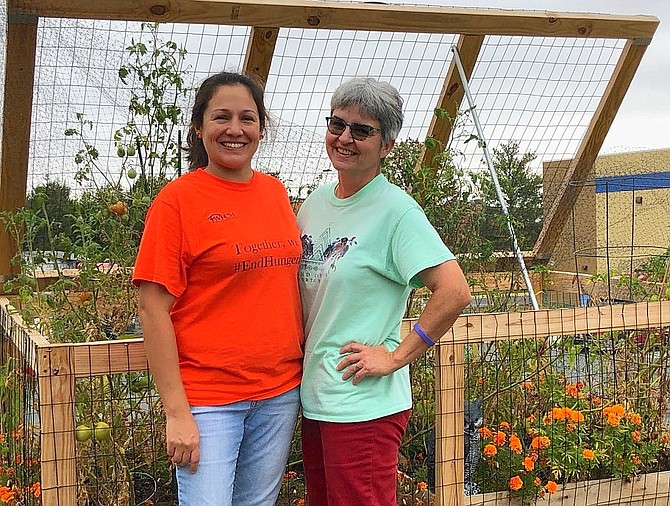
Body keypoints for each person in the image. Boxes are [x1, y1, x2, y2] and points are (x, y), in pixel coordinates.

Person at [297, 78, 472, 505]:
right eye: (337, 124)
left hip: (364, 408)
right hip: (317, 398)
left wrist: (396, 357)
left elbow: (454, 291)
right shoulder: (314, 205)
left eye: (362, 129)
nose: (344, 138)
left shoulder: (396, 212)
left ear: (387, 145)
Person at [132, 72, 304, 506]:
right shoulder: (177, 201)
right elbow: (153, 308)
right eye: (220, 117)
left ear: (262, 129)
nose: (235, 129)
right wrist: (176, 412)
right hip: (209, 401)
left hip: (279, 392)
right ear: (198, 127)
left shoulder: (275, 192)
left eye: (248, 118)